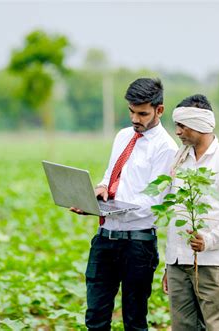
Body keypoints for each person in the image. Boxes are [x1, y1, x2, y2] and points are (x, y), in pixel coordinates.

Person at [71, 78, 178, 330]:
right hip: (105, 238)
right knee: (95, 318)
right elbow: (111, 176)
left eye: (142, 113)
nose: (135, 119)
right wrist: (98, 192)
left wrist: (117, 206)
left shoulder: (166, 148)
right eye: (131, 111)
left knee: (134, 321)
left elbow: (154, 202)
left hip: (138, 245)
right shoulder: (122, 136)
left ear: (159, 110)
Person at [162, 94, 219, 330]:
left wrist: (209, 240)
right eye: (176, 126)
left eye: (182, 126)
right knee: (182, 327)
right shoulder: (180, 160)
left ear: (200, 124)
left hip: (214, 263)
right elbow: (175, 212)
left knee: (217, 326)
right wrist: (169, 265)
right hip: (178, 261)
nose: (177, 132)